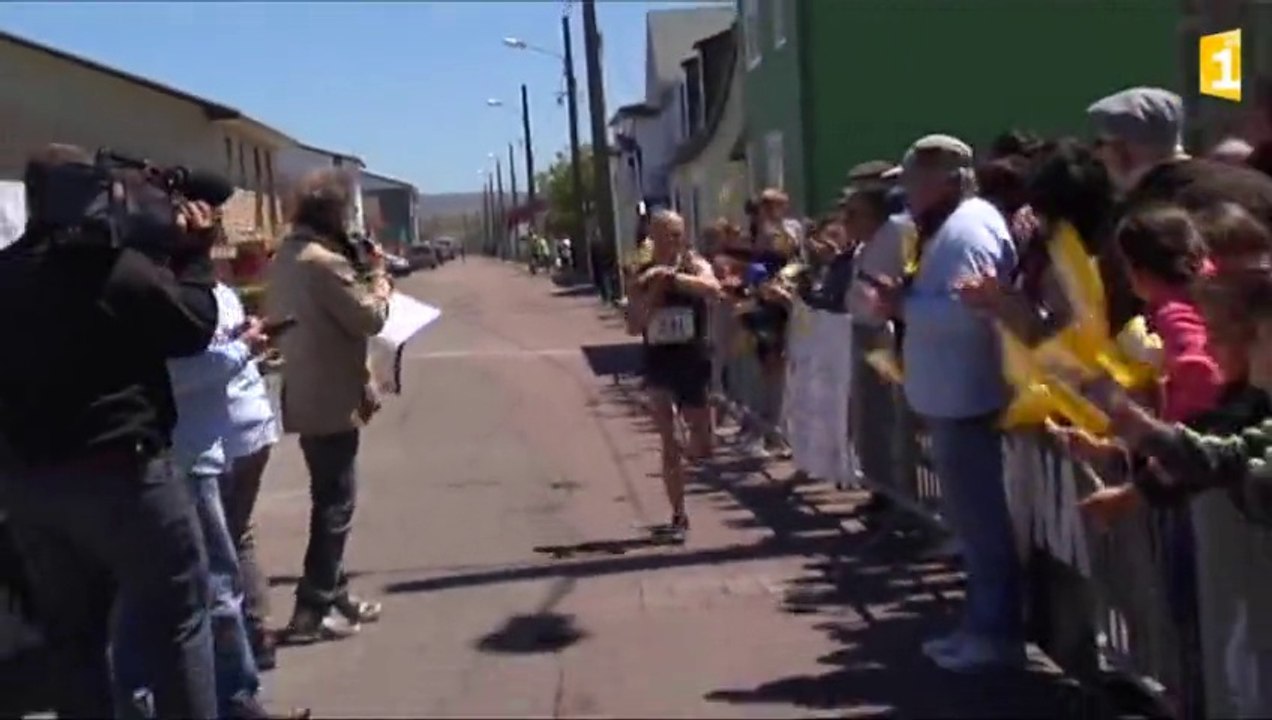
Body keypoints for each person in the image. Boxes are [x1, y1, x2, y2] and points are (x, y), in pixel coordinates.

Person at [0, 144, 220, 717]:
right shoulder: (110, 269)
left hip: (30, 487)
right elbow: (192, 327)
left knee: (74, 642)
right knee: (177, 620)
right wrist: (195, 256)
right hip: (125, 476)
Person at [865, 134, 1022, 672]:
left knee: (982, 527)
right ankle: (980, 626)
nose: (906, 194)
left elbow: (967, 312)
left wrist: (901, 304)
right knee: (972, 528)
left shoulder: (969, 228)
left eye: (914, 182)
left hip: (968, 397)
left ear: (948, 180)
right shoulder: (950, 227)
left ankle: (994, 635)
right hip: (954, 396)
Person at [267, 169, 392, 643]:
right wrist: (379, 279)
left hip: (304, 389)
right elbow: (370, 318)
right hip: (330, 398)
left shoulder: (287, 256)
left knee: (329, 494)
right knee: (335, 504)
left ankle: (335, 594)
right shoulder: (323, 263)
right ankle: (311, 609)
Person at [1086, 86, 1272, 328]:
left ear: (1122, 151)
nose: (1098, 156)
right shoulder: (1258, 184)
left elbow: (1119, 313)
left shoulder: (1139, 218)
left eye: (1101, 144)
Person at [624, 210, 722, 541]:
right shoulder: (640, 271)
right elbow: (633, 324)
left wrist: (675, 279)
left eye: (677, 234)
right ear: (652, 236)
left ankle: (686, 458)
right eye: (664, 234)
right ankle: (679, 513)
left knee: (703, 443)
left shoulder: (695, 264)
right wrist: (653, 290)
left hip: (692, 359)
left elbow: (713, 288)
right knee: (668, 438)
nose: (671, 241)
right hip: (659, 360)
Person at [842, 164, 909, 508]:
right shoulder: (864, 245)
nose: (846, 221)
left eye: (854, 214)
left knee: (886, 416)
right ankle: (881, 488)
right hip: (864, 331)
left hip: (883, 334)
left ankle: (895, 494)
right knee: (868, 417)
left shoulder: (894, 234)